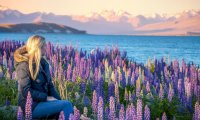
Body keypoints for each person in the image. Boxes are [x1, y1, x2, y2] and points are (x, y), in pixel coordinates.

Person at [14, 35, 73, 119]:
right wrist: (46, 97)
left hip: (42, 102)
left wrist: (59, 101)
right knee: (66, 105)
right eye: (44, 46)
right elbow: (25, 91)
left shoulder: (43, 63)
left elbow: (50, 86)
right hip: (30, 107)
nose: (46, 48)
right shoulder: (24, 65)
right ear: (38, 48)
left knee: (65, 105)